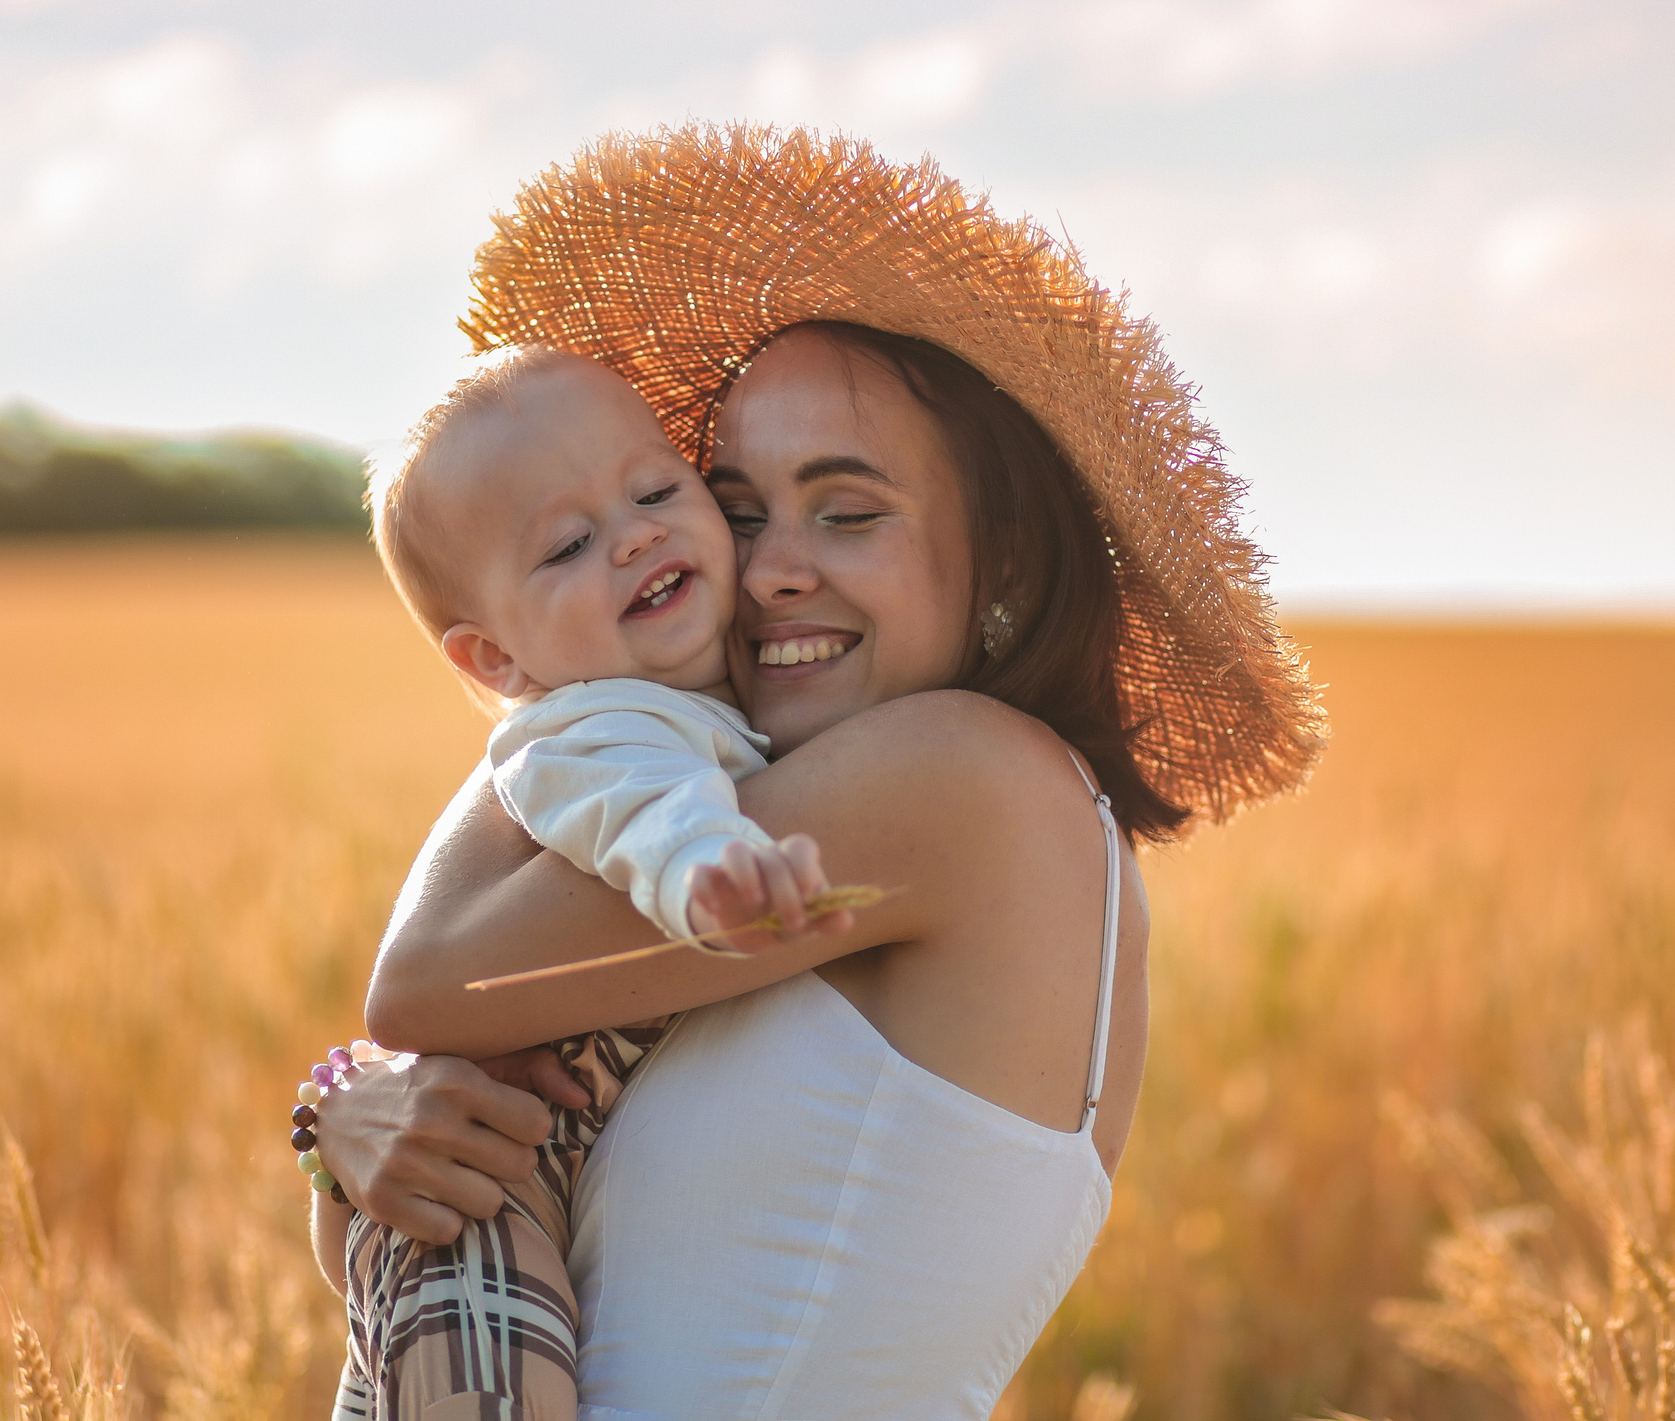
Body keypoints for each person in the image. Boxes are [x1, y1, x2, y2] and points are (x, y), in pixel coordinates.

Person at [302, 124, 1325, 1419]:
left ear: (1006, 557)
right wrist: (347, 1124)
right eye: (738, 509)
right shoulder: (756, 807)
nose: (771, 568)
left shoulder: (964, 779)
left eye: (847, 512)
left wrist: (555, 690)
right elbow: (461, 1210)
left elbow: (424, 981)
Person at [314, 342, 845, 1418]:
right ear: (494, 661)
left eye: (656, 491)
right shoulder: (587, 728)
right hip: (484, 1188)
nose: (635, 535)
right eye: (567, 545)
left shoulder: (724, 704)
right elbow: (645, 808)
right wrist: (715, 870)